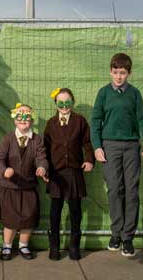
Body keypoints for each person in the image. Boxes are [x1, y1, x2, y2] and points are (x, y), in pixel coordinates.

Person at [90, 53, 143, 257]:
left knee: (131, 190)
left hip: (131, 146)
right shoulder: (103, 93)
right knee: (115, 189)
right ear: (110, 72)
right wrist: (97, 146)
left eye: (123, 73)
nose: (119, 77)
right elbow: (95, 121)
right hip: (109, 146)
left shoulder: (134, 94)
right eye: (115, 72)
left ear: (129, 73)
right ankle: (115, 233)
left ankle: (128, 237)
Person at [43, 88, 94, 260]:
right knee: (55, 210)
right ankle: (55, 246)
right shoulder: (50, 124)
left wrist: (89, 160)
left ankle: (74, 246)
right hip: (56, 172)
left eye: (68, 102)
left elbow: (87, 143)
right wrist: (45, 168)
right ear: (56, 104)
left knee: (75, 210)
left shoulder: (80, 121)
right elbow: (45, 149)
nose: (64, 106)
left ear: (72, 102)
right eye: (61, 103)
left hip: (74, 171)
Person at [0, 103, 48, 261]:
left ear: (32, 121)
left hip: (28, 186)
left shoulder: (37, 140)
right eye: (20, 116)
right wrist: (4, 170)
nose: (23, 119)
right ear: (14, 121)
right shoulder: (7, 139)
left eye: (27, 117)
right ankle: (7, 246)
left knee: (28, 218)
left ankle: (24, 245)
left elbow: (41, 158)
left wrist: (42, 168)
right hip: (9, 186)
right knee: (10, 219)